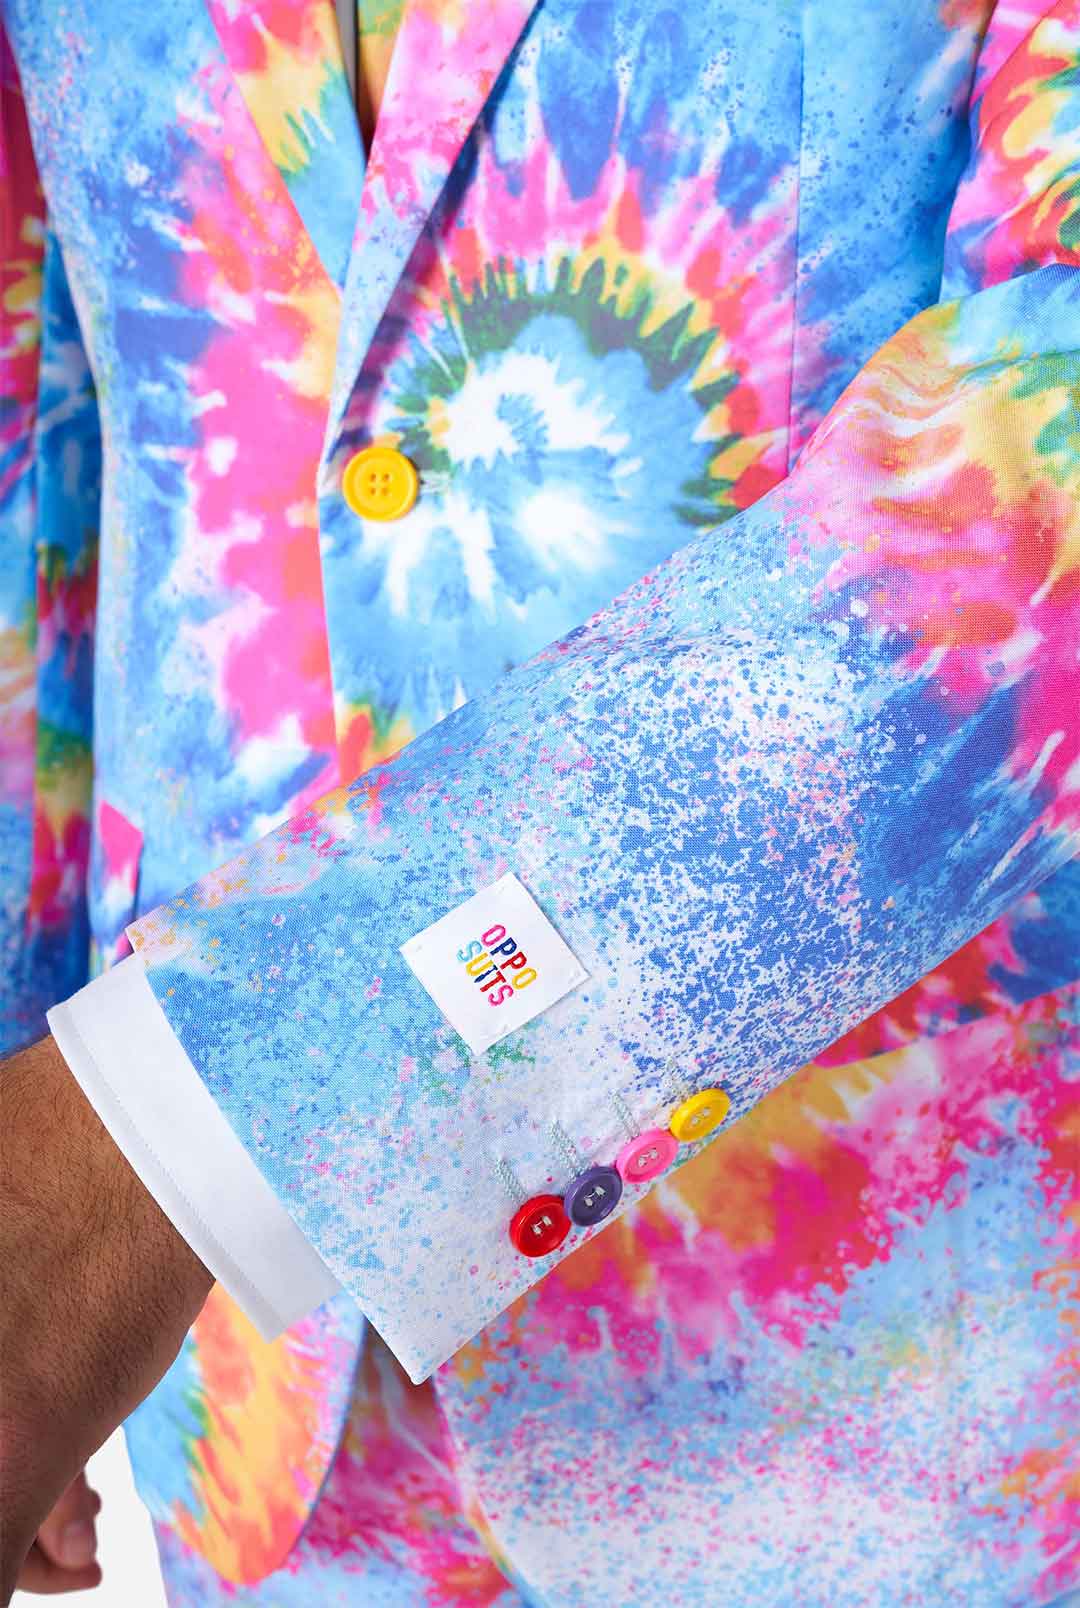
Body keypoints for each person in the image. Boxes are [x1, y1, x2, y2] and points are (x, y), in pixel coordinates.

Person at [1, 0, 1078, 1602]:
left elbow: (1050, 466)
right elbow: (50, 416)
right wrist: (28, 1200)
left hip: (870, 1369)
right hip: (242, 1406)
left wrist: (158, 1135)